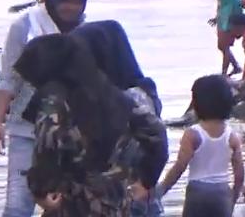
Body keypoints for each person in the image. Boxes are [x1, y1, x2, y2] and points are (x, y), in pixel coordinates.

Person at [14, 23, 167, 216]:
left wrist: (40, 191)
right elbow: (156, 132)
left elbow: (47, 147)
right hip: (115, 204)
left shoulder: (53, 101)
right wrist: (147, 179)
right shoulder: (113, 95)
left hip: (73, 204)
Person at [0, 0, 89, 217]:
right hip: (26, 128)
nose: (70, 7)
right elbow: (8, 78)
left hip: (70, 132)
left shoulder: (89, 30)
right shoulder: (26, 26)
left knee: (65, 204)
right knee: (17, 204)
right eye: (64, 0)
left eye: (77, 1)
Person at [157, 75, 245, 216]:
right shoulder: (232, 137)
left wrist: (161, 190)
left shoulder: (193, 134)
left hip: (197, 193)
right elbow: (239, 174)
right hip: (222, 193)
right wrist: (233, 198)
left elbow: (179, 167)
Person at [211, 0, 243, 77]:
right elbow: (222, 6)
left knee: (224, 46)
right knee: (222, 46)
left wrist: (235, 22)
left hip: (228, 22)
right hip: (222, 21)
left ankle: (224, 73)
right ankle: (235, 66)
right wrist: (216, 18)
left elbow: (236, 5)